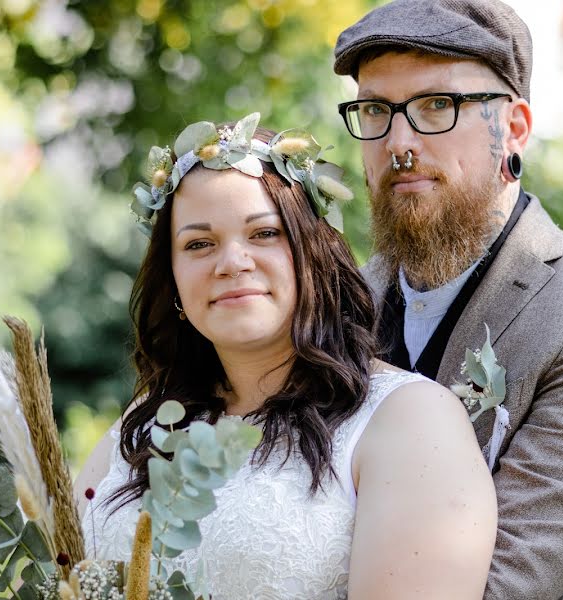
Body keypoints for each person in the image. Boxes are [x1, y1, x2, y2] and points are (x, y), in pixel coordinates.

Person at [333, 1, 563, 598]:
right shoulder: (337, 306)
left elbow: (504, 584)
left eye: (436, 106)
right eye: (375, 110)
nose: (398, 143)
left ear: (515, 128)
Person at [74, 114, 497, 599]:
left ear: (313, 253)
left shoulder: (408, 421)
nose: (232, 262)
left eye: (264, 234)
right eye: (198, 243)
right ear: (173, 282)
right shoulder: (145, 421)